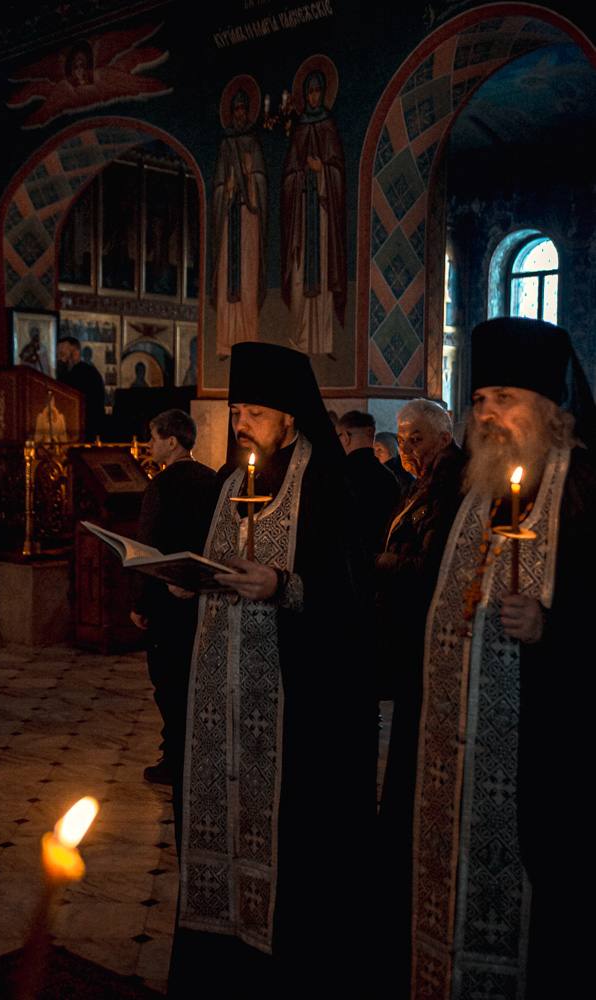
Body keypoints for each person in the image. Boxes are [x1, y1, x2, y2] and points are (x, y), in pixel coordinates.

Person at [168, 341, 368, 997]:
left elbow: (356, 597)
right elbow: (219, 565)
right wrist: (188, 581)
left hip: (300, 706)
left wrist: (284, 585)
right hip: (222, 701)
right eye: (237, 412)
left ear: (289, 418)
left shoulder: (329, 486)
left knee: (292, 842)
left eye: (255, 413)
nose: (241, 424)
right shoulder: (231, 483)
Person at [407, 317, 596, 999]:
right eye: (480, 399)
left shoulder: (587, 492)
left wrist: (552, 629)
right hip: (450, 759)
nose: (486, 414)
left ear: (551, 410)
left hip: (552, 768)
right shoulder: (466, 490)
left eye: (505, 399)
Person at [375, 398, 466, 999]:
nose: (407, 449)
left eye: (417, 439)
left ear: (444, 434)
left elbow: (432, 565)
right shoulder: (423, 480)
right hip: (407, 636)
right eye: (403, 439)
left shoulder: (451, 483)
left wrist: (381, 562)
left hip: (424, 638)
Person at [129, 409, 216, 793]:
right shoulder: (213, 480)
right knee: (196, 679)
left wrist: (139, 603)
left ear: (172, 441)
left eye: (153, 437)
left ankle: (174, 760)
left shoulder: (160, 486)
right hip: (204, 595)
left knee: (167, 682)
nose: (149, 445)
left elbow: (147, 550)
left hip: (165, 600)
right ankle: (200, 755)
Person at [281, 58, 346, 356]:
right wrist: (299, 176)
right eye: (310, 92)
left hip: (321, 213)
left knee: (322, 276)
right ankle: (302, 339)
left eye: (318, 91)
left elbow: (337, 170)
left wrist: (322, 172)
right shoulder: (298, 130)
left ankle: (323, 342)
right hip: (302, 215)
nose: (314, 97)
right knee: (299, 276)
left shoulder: (329, 126)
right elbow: (288, 174)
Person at [212, 79, 268, 357]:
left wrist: (250, 179)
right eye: (236, 109)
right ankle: (226, 343)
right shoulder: (225, 145)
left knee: (246, 277)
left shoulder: (253, 143)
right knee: (227, 279)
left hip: (247, 218)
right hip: (229, 216)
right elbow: (218, 185)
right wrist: (227, 188)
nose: (240, 114)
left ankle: (248, 340)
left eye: (244, 109)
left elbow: (260, 180)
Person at [336, 409, 400, 556]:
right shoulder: (389, 477)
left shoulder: (338, 475)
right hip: (380, 560)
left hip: (347, 559)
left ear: (345, 437)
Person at [57, 335, 106, 440]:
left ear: (75, 353)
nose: (60, 359)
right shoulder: (67, 374)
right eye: (58, 355)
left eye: (63, 355)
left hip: (85, 431)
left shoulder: (87, 373)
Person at [373, 430, 415, 495]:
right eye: (373, 450)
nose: (375, 454)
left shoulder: (398, 477)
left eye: (379, 449)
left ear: (392, 450)